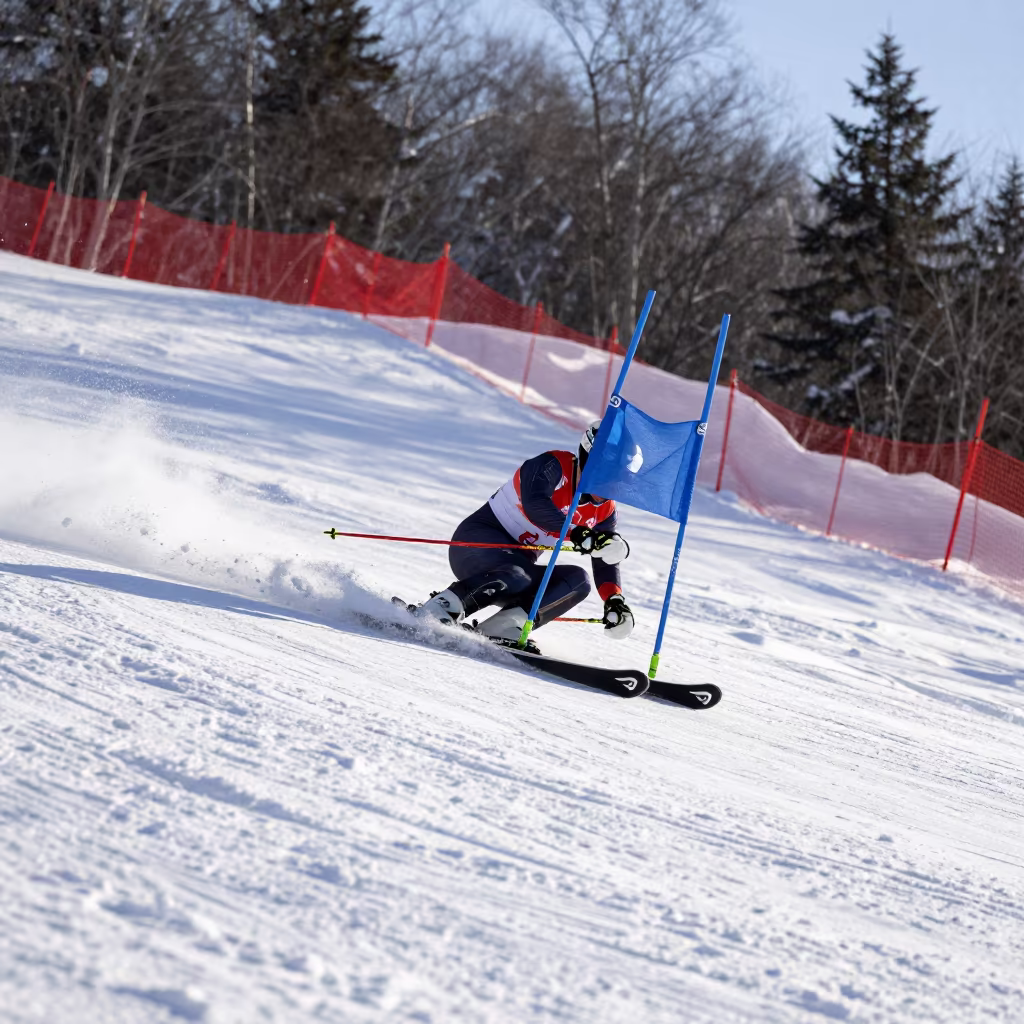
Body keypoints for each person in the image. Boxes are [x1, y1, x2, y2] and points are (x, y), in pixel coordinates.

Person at [415, 420, 634, 652]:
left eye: (620, 479)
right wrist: (578, 533)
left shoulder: (605, 511)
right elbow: (535, 505)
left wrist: (614, 600)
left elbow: (605, 559)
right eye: (609, 475)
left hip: (517, 571)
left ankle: (503, 626)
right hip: (475, 547)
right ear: (589, 458)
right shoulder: (553, 465)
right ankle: (440, 608)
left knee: (578, 581)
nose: (612, 486)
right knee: (517, 574)